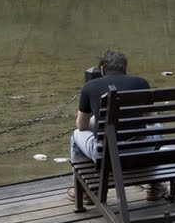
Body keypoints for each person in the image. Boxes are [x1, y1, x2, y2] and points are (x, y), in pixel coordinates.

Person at [67, 49, 165, 202]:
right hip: (139, 151)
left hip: (106, 156)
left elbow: (81, 125)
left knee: (76, 136)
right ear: (125, 68)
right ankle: (155, 186)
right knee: (158, 127)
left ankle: (87, 190)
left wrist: (97, 120)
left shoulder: (90, 87)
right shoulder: (141, 82)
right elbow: (152, 120)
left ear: (101, 69)